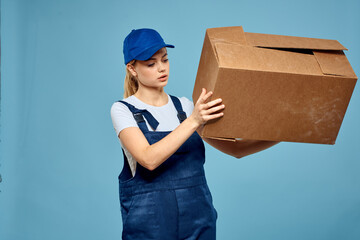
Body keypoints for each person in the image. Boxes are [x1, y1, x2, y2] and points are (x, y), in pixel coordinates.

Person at [110, 28, 225, 240]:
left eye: (165, 59)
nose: (162, 68)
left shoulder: (185, 106)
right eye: (151, 64)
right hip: (151, 225)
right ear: (132, 69)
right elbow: (148, 159)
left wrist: (284, 130)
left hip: (200, 220)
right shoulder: (123, 110)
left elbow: (234, 149)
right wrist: (194, 121)